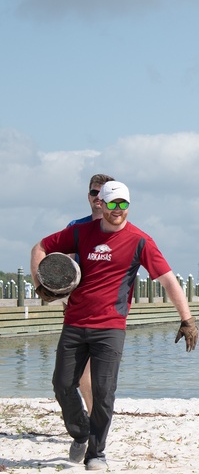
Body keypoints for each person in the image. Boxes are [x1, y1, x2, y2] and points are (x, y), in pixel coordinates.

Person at [30, 181, 198, 471]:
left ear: (128, 206)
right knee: (61, 384)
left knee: (104, 391)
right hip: (74, 321)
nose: (117, 210)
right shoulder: (82, 232)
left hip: (110, 326)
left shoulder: (139, 240)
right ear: (102, 204)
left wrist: (187, 319)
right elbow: (41, 247)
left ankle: (96, 453)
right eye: (112, 204)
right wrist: (40, 283)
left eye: (123, 204)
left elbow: (168, 280)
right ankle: (81, 431)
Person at [64, 173, 115, 417]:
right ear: (89, 196)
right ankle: (94, 415)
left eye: (102, 193)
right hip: (77, 308)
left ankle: (98, 417)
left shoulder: (117, 227)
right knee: (81, 372)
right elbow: (63, 264)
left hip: (108, 309)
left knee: (100, 370)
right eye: (94, 193)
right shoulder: (76, 227)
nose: (98, 197)